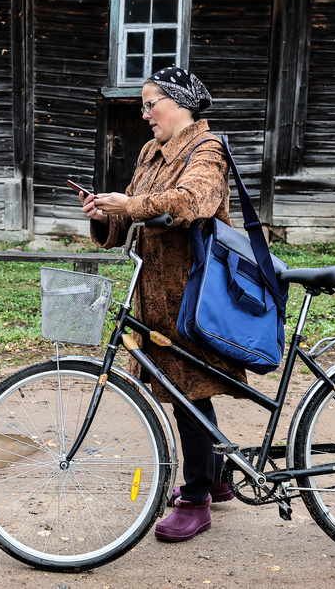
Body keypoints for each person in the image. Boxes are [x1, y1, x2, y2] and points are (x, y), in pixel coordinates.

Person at [80, 66, 241, 543]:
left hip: (192, 293)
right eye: (144, 104)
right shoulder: (152, 151)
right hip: (153, 291)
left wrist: (128, 205)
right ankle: (213, 474)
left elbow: (193, 201)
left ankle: (196, 499)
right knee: (185, 388)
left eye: (152, 102)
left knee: (189, 390)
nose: (145, 112)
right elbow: (134, 212)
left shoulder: (206, 150)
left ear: (179, 103)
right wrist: (106, 213)